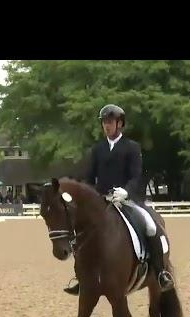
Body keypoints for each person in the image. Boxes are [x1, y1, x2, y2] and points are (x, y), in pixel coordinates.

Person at [63, 104, 175, 296]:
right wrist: (91, 197)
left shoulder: (132, 147)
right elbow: (89, 179)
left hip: (127, 200)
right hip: (103, 201)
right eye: (104, 123)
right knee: (81, 232)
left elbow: (136, 176)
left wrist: (126, 191)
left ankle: (160, 272)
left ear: (119, 124)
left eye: (110, 122)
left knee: (150, 225)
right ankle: (82, 278)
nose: (106, 126)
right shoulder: (97, 150)